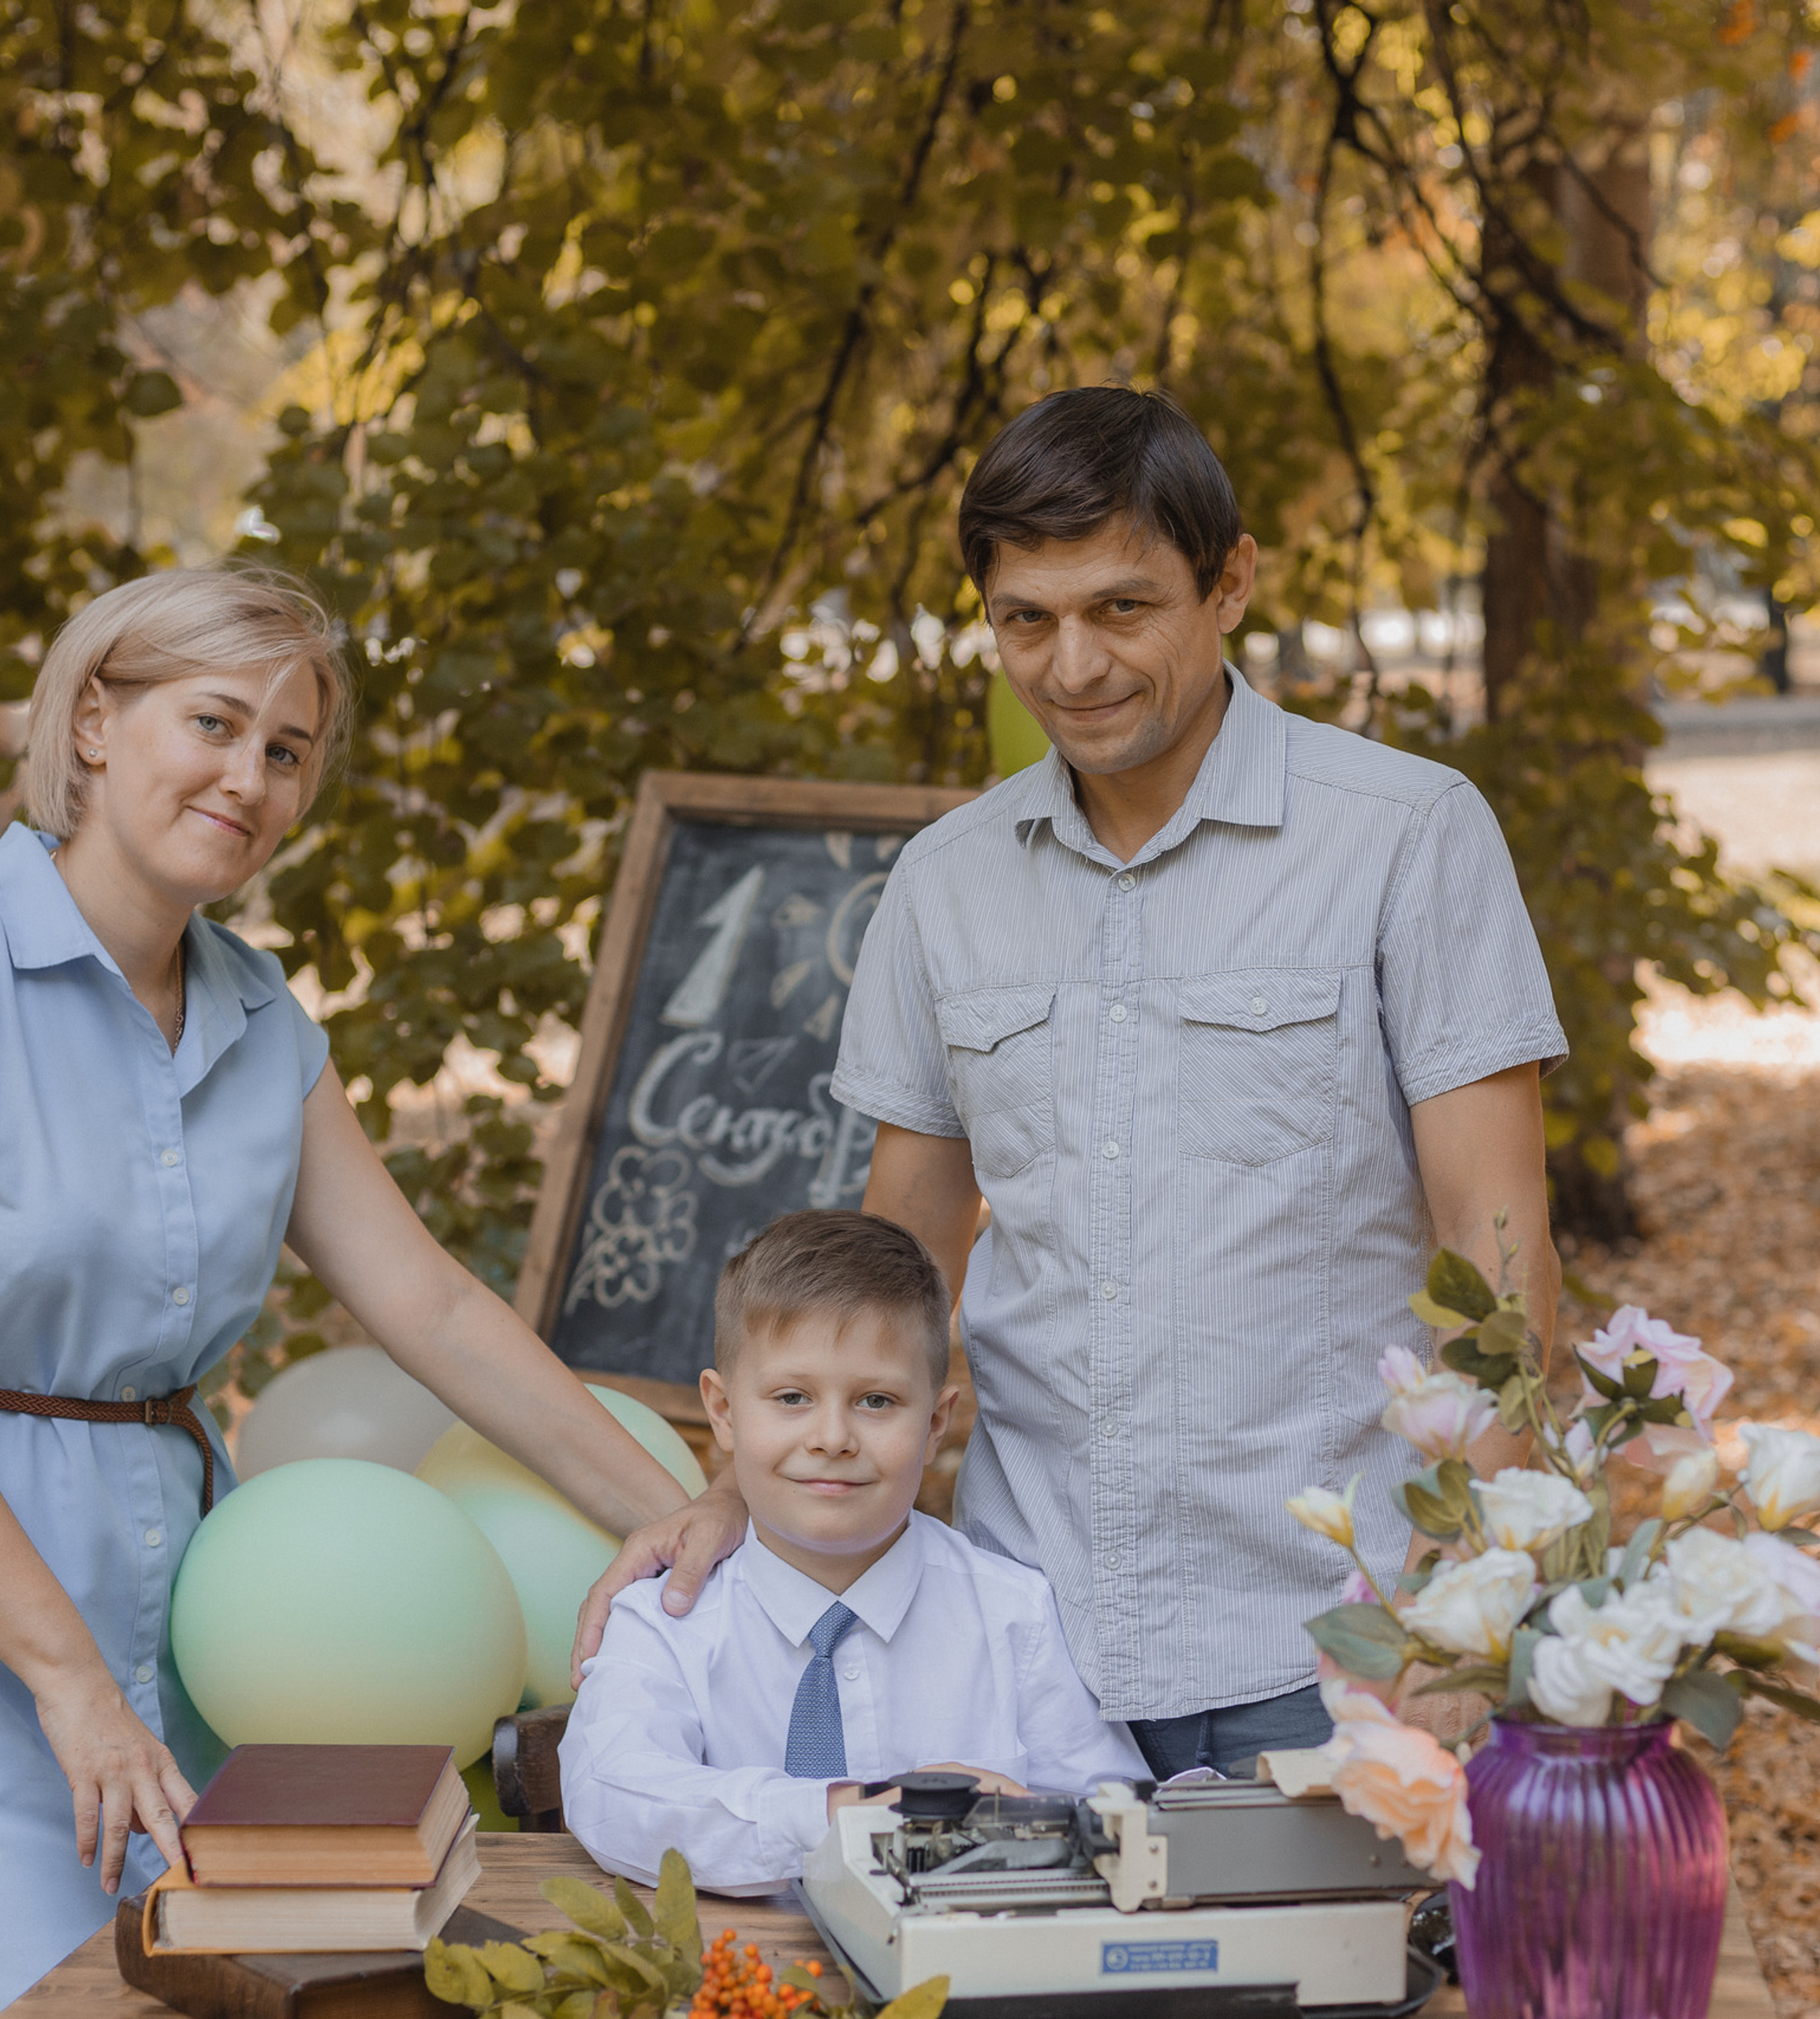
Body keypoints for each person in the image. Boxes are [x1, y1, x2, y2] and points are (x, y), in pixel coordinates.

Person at [579, 386, 1565, 1780]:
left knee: (1341, 2000)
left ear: (1230, 586)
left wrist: (1473, 1596)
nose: (1073, 665)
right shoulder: (943, 885)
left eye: (1121, 608)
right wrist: (736, 1492)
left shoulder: (1408, 839)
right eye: (1026, 620)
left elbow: (1498, 1249)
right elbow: (896, 1262)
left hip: (1340, 1635)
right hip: (1017, 1637)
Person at [0, 569, 704, 2019]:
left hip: (209, 1631)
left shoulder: (264, 1020)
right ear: (94, 720)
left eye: (288, 752)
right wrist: (71, 1681)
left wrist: (674, 1513)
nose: (250, 780)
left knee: (236, 1990)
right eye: (213, 723)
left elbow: (433, 1309)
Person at [560, 1210, 1147, 1894]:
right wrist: (858, 1814)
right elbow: (615, 1794)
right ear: (723, 1412)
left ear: (934, 1425)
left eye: (875, 1400)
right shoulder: (662, 1620)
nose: (832, 1437)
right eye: (791, 1397)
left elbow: (1113, 1818)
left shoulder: (1018, 1616)